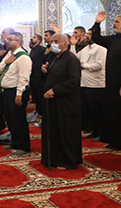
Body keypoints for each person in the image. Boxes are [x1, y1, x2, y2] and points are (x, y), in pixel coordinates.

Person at [91, 10, 121, 150]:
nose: (114, 24)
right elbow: (96, 38)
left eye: (117, 22)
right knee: (112, 113)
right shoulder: (112, 39)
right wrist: (97, 23)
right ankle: (114, 141)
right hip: (111, 83)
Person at [41, 33, 83, 169]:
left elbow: (73, 81)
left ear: (65, 43)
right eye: (52, 41)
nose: (53, 44)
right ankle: (55, 158)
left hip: (66, 102)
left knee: (66, 131)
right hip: (54, 101)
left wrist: (55, 90)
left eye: (56, 41)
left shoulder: (71, 59)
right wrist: (45, 71)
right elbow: (55, 76)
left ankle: (68, 160)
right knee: (54, 130)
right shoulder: (55, 58)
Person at [0, 32, 32, 155]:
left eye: (10, 39)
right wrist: (6, 62)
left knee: (18, 119)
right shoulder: (9, 55)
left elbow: (24, 78)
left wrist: (19, 94)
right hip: (7, 91)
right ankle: (14, 142)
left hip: (17, 91)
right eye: (7, 39)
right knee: (10, 118)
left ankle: (23, 146)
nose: (7, 41)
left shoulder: (24, 57)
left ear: (19, 42)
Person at [73, 29, 106, 139]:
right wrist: (72, 45)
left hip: (96, 84)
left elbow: (99, 65)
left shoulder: (101, 49)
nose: (87, 36)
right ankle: (94, 131)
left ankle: (101, 133)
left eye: (90, 34)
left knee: (97, 111)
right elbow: (74, 59)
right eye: (87, 34)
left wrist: (84, 65)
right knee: (89, 111)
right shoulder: (85, 49)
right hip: (84, 83)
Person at [28, 34, 47, 120]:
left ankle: (41, 112)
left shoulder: (42, 49)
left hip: (39, 76)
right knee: (35, 94)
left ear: (38, 41)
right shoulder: (33, 49)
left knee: (40, 95)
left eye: (34, 37)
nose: (32, 38)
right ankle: (38, 110)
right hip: (33, 75)